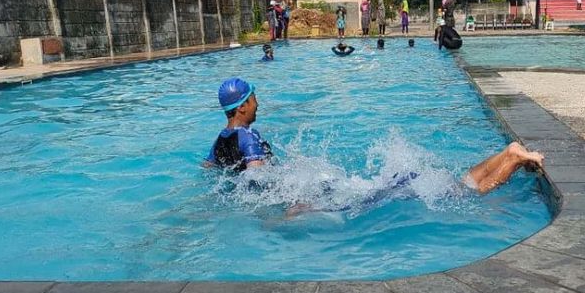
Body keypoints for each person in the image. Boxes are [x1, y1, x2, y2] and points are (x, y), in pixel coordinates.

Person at [204, 78, 544, 196]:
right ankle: (510, 155)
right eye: (254, 97)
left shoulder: (221, 139)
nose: (258, 102)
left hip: (345, 190)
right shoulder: (247, 137)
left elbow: (213, 169)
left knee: (464, 191)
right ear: (244, 104)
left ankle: (511, 157)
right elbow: (258, 177)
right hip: (344, 187)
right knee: (459, 189)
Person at [202, 78, 273, 171]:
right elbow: (257, 174)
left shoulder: (220, 140)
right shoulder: (248, 136)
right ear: (242, 107)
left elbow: (207, 166)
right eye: (254, 100)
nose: (257, 105)